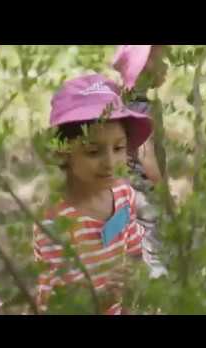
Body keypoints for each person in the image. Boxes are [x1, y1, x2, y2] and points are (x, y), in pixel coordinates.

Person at [33, 74, 153, 314]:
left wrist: (134, 288)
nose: (110, 163)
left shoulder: (123, 195)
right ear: (63, 153)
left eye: (118, 148)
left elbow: (132, 252)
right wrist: (104, 298)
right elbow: (58, 305)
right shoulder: (55, 221)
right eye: (93, 151)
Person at [113, 45, 172, 279]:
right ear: (145, 66)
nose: (166, 66)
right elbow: (147, 157)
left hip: (123, 190)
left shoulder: (120, 104)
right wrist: (164, 192)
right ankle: (159, 287)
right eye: (162, 60)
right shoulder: (144, 110)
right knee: (155, 247)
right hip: (145, 193)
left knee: (124, 241)